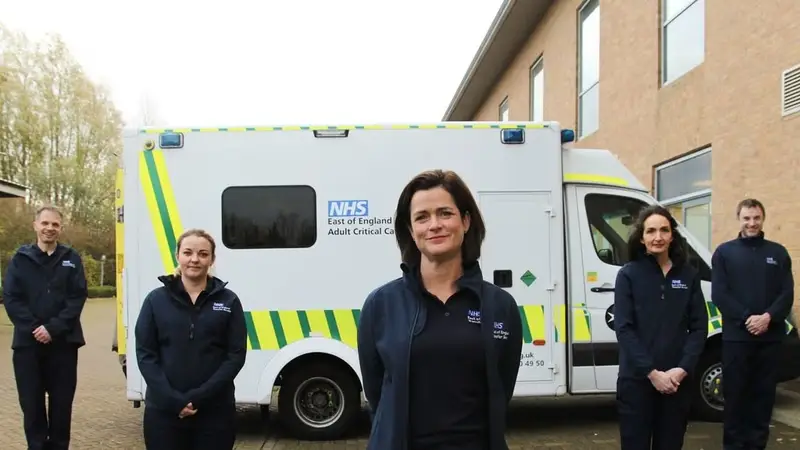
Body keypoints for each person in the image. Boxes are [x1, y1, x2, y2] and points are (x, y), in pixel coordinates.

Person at [357, 169, 523, 450]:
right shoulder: (381, 305)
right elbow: (377, 393)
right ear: (411, 231)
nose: (434, 225)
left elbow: (501, 387)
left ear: (466, 221)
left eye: (445, 213)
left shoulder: (500, 307)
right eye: (422, 217)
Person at [135, 228, 247, 450]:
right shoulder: (155, 300)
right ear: (178, 256)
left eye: (203, 254)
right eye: (188, 252)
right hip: (164, 412)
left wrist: (199, 397)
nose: (195, 259)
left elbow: (235, 355)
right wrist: (173, 400)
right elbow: (146, 354)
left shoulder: (229, 301)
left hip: (215, 411)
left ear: (212, 259)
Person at [613, 205, 708, 450]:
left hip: (677, 383)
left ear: (672, 235)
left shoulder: (688, 276)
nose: (658, 237)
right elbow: (623, 329)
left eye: (664, 230)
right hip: (637, 382)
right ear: (642, 238)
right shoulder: (628, 275)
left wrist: (682, 369)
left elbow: (699, 328)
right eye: (651, 231)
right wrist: (652, 374)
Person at [2, 205, 88, 450]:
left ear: (60, 228)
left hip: (63, 344)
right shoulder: (20, 259)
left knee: (61, 405)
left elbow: (77, 297)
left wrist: (53, 328)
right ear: (35, 225)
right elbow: (12, 297)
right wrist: (34, 328)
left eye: (55, 225)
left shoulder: (71, 258)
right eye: (45, 223)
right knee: (31, 404)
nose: (50, 228)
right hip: (27, 346)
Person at [711, 198, 794, 450]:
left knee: (763, 399)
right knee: (735, 398)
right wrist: (747, 317)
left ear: (763, 218)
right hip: (737, 340)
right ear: (739, 219)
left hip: (769, 340)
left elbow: (787, 293)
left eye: (756, 218)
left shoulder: (778, 253)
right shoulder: (724, 253)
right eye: (747, 218)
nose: (752, 223)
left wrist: (768, 317)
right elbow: (720, 294)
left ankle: (757, 446)